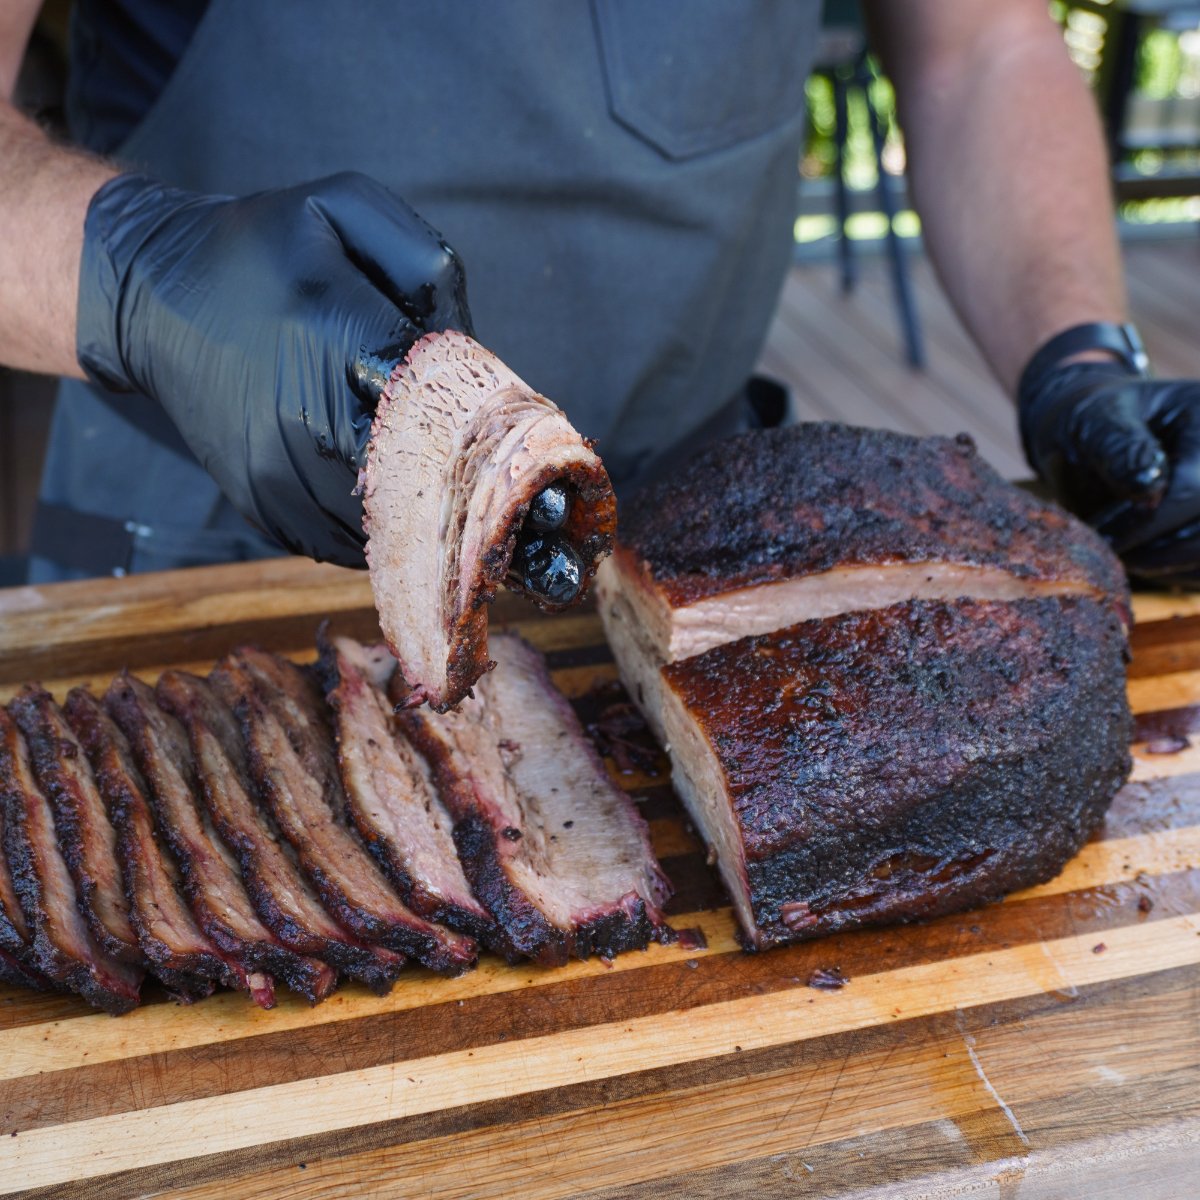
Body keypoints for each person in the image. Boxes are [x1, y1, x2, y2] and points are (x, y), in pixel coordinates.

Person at [2, 1, 1199, 584]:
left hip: (699, 535)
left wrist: (1077, 357)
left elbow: (980, 47)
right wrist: (141, 281)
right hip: (220, 540)